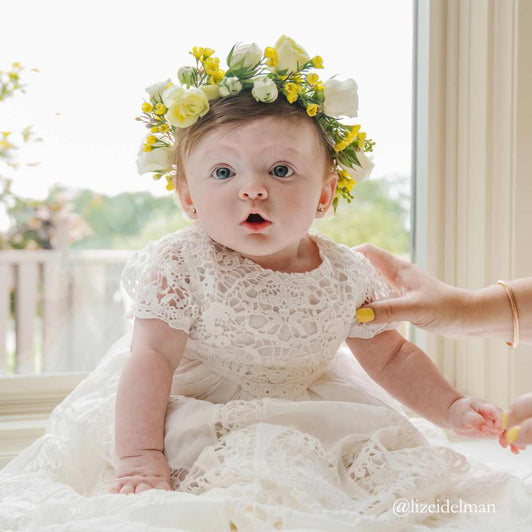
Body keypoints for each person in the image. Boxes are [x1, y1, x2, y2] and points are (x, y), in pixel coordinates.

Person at [1, 36, 531, 531]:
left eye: (280, 171)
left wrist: (452, 407)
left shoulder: (346, 271)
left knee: (371, 489)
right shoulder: (184, 261)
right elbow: (151, 361)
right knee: (231, 496)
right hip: (203, 415)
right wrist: (140, 458)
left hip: (315, 412)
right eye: (224, 173)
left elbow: (390, 357)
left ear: (324, 195)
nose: (252, 190)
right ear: (188, 198)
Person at [354, 243, 532, 453]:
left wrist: (451, 406)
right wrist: (465, 309)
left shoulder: (338, 269)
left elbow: (391, 358)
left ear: (324, 206)